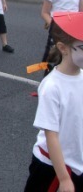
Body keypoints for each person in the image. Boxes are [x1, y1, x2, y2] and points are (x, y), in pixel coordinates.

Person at [24, 12, 83, 192]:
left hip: (77, 162)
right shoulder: (52, 86)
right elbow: (51, 136)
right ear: (63, 48)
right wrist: (64, 179)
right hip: (51, 166)